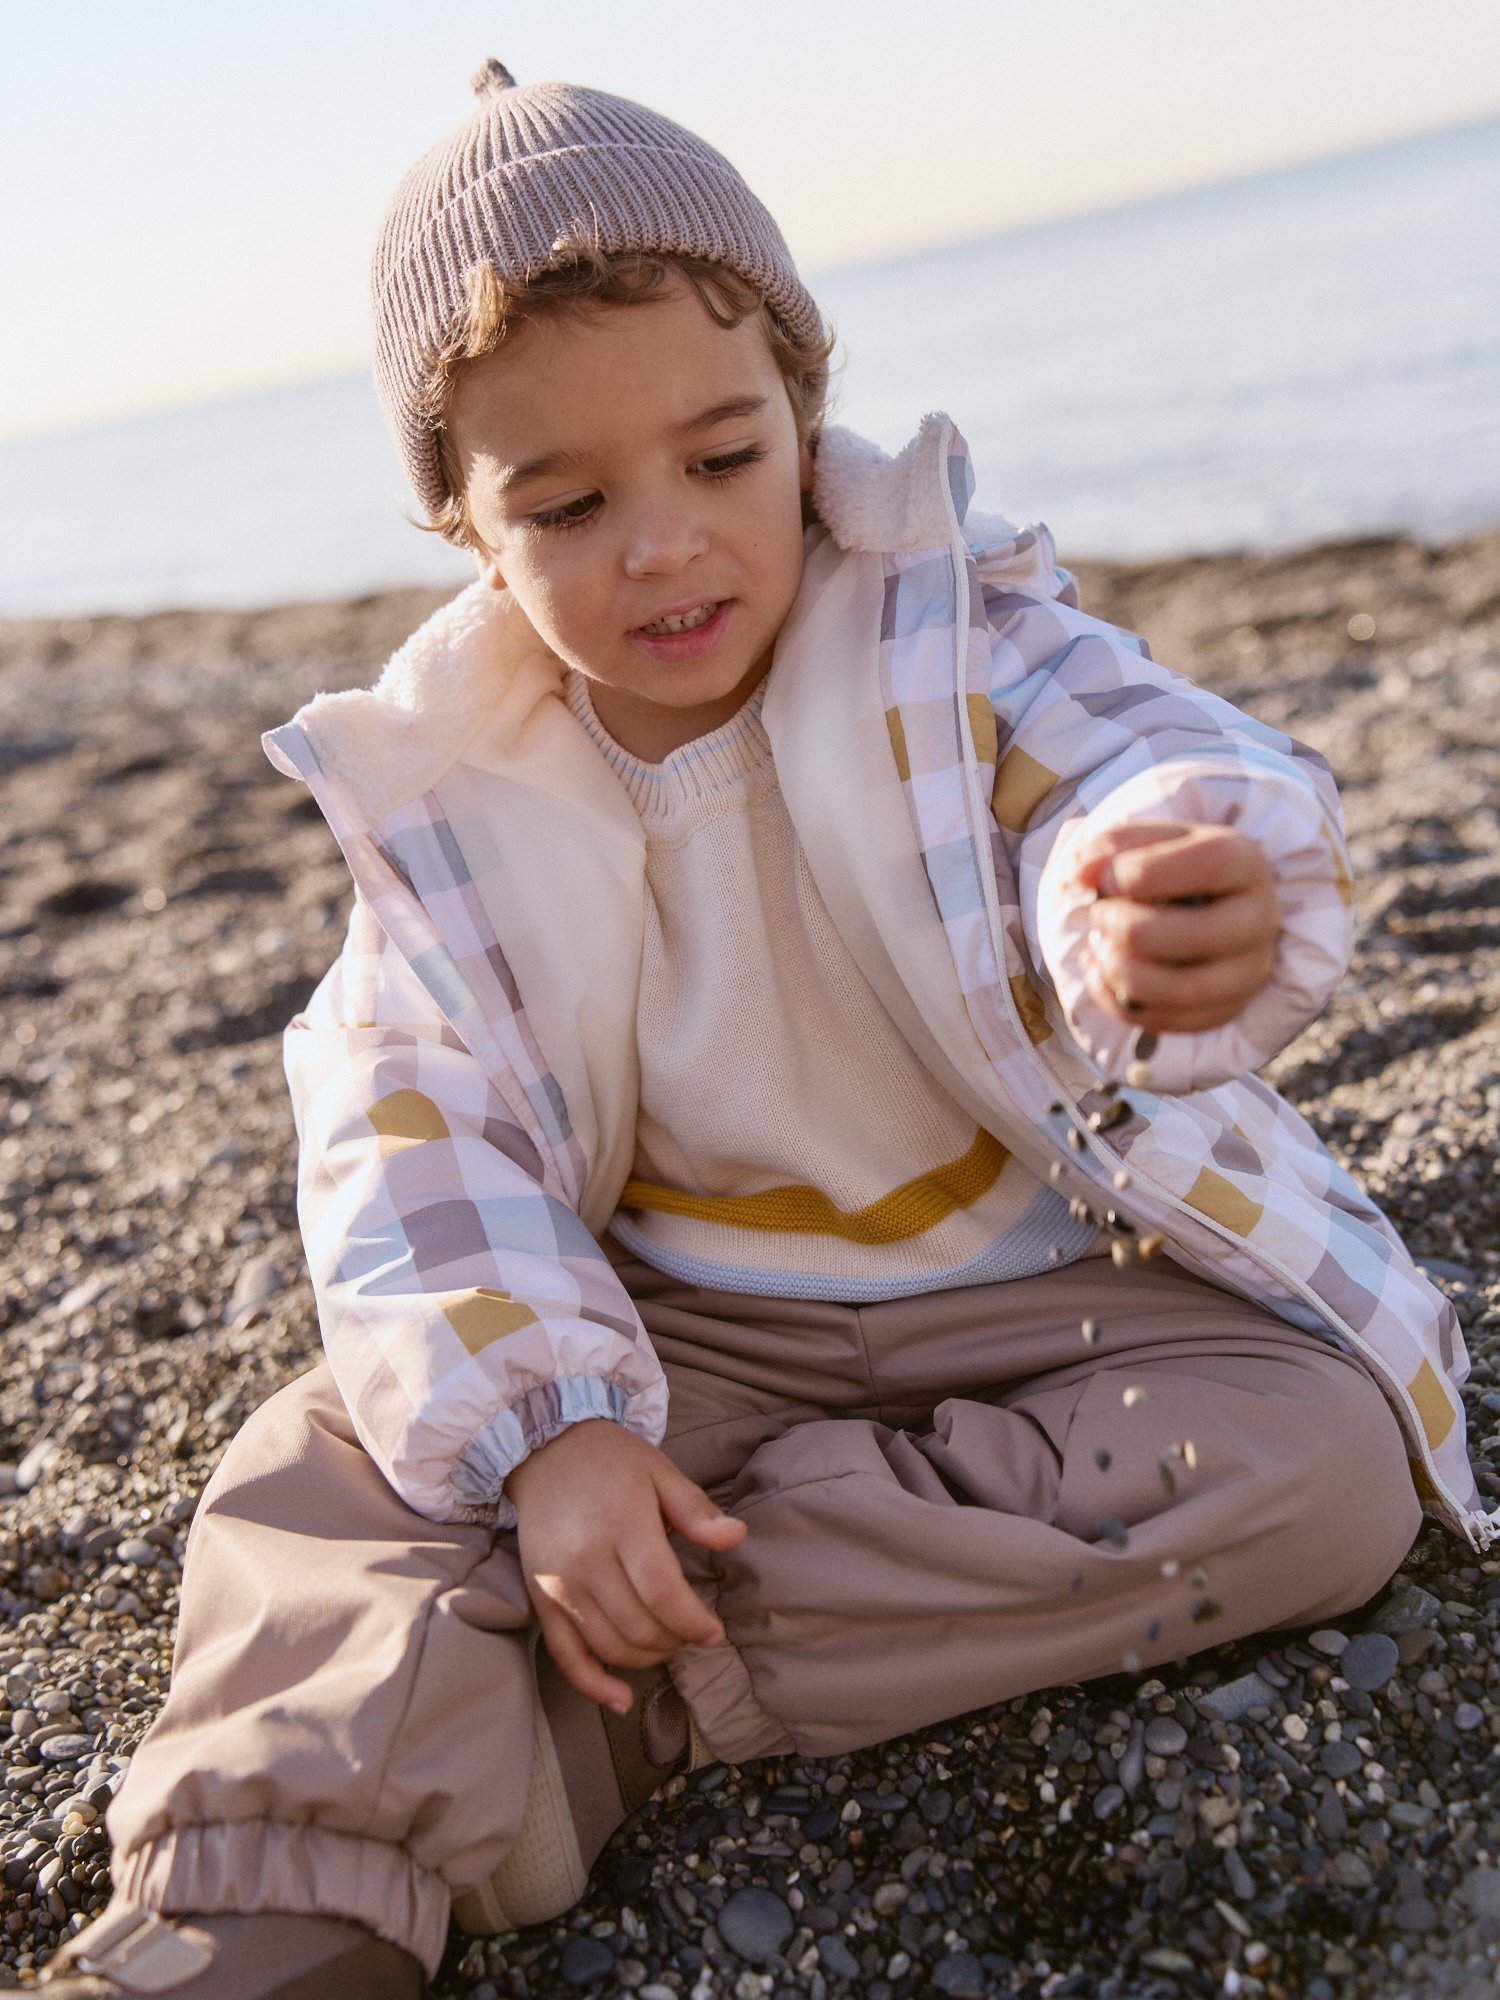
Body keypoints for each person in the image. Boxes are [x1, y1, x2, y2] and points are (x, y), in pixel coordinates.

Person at [44, 61, 1487, 2000]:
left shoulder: (949, 636)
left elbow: (1139, 761)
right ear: (467, 524)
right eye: (568, 503)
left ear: (803, 415)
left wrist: (1172, 881)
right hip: (686, 1325)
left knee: (1320, 1467)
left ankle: (626, 1694)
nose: (662, 544)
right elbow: (408, 1130)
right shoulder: (456, 794)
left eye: (721, 460)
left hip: (1061, 1276)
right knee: (316, 1461)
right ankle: (271, 1894)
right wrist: (561, 1430)